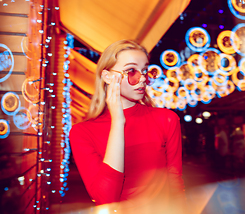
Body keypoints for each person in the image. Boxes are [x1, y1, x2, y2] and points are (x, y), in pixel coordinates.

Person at [69, 40, 185, 213]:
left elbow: (175, 182)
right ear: (107, 76)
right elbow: (106, 198)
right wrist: (117, 122)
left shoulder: (167, 119)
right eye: (131, 71)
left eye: (145, 70)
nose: (143, 78)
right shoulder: (82, 133)